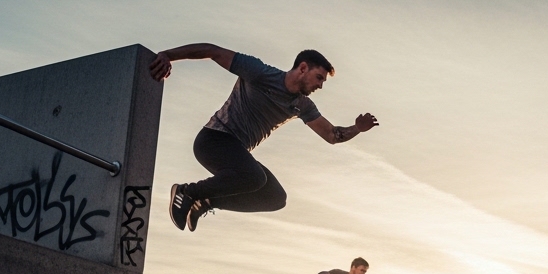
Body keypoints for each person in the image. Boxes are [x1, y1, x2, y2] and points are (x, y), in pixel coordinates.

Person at [148, 44, 378, 232]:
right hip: (213, 141)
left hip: (237, 152)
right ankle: (187, 192)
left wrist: (357, 128)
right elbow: (213, 51)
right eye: (318, 78)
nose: (319, 85)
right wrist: (169, 56)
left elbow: (331, 135)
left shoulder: (302, 105)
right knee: (254, 177)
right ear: (303, 68)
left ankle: (207, 201)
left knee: (276, 197)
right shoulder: (259, 72)